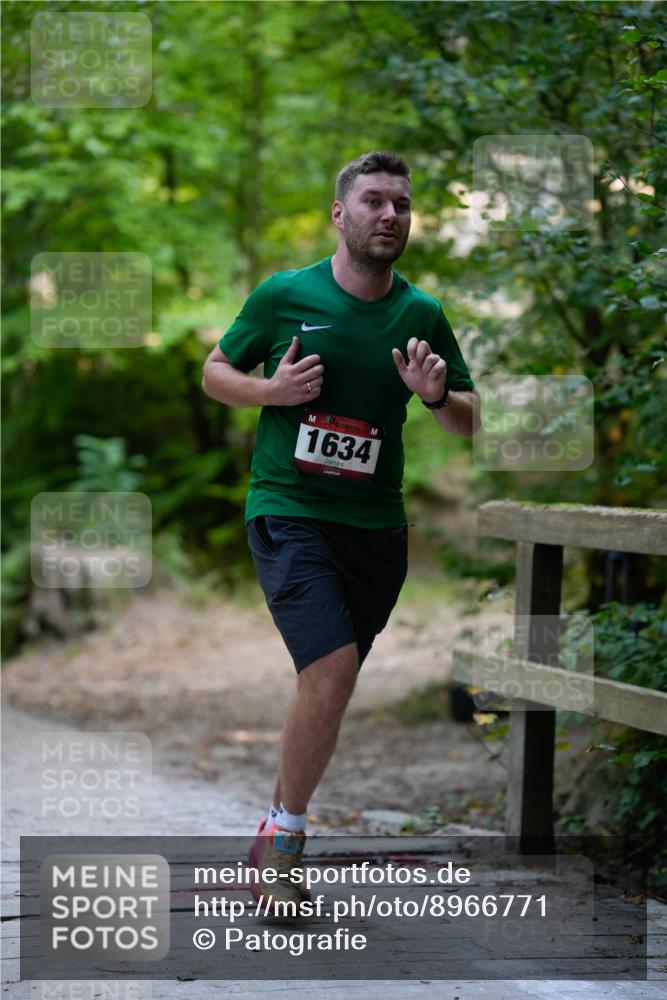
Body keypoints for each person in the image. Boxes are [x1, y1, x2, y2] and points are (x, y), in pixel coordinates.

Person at [202, 150, 478, 914]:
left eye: (401, 204)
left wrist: (434, 398)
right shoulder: (286, 294)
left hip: (375, 527)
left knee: (332, 679)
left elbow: (467, 420)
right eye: (374, 202)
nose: (389, 215)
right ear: (340, 214)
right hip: (289, 510)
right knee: (331, 668)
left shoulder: (420, 313)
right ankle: (285, 847)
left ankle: (271, 828)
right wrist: (270, 389)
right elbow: (214, 370)